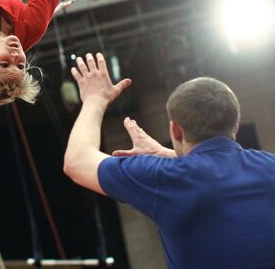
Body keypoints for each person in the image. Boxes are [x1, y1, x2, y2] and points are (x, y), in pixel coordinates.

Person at [63, 52, 275, 269]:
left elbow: (77, 161)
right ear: (235, 125)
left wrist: (95, 100)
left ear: (175, 130)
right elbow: (219, 172)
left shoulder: (165, 176)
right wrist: (168, 156)